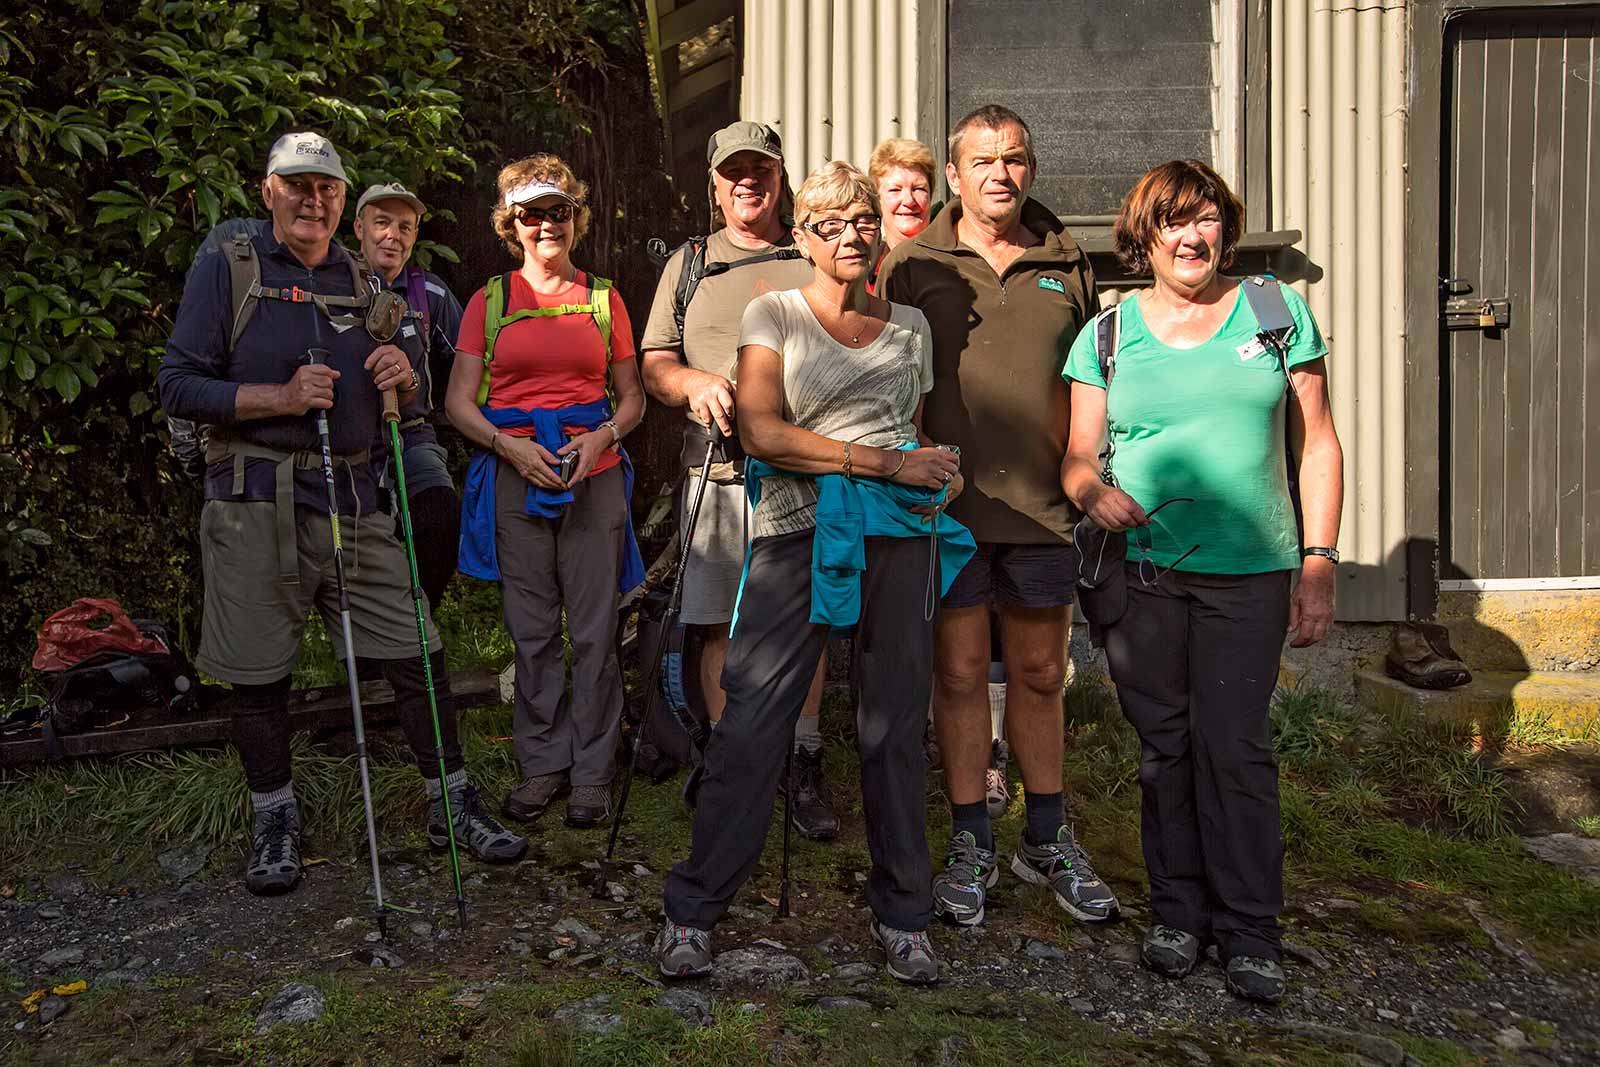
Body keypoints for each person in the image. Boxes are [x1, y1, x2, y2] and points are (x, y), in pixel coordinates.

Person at [158, 132, 526, 897]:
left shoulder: (364, 278)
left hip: (357, 500)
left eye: (326, 187)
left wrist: (401, 375)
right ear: (269, 192)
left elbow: (409, 401)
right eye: (297, 184)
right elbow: (178, 384)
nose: (313, 199)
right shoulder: (231, 268)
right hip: (255, 503)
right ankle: (274, 816)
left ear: (340, 200)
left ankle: (449, 803)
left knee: (416, 650)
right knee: (259, 673)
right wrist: (279, 399)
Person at [656, 161, 972, 985]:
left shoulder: (910, 326)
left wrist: (944, 471)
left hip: (900, 540)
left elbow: (924, 430)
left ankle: (903, 912)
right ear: (802, 237)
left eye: (862, 219)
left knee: (895, 723)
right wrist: (878, 463)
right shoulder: (777, 314)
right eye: (828, 223)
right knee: (754, 716)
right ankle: (694, 909)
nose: (849, 235)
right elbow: (760, 431)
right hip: (798, 535)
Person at [1062, 159, 1343, 1003]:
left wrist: (1319, 559)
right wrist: (1092, 493)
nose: (1193, 235)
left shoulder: (1274, 310)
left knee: (1238, 747)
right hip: (1143, 575)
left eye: (1209, 217)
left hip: (1251, 570)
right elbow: (1076, 456)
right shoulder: (1107, 334)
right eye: (1174, 221)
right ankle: (1178, 915)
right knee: (1166, 750)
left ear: (1226, 227)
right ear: (1143, 236)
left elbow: (1318, 442)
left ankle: (1252, 929)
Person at [878, 104, 1115, 931]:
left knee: (1044, 675)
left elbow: (1095, 378)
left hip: (1046, 510)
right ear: (954, 173)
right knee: (959, 675)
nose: (1000, 175)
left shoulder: (1067, 257)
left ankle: (1045, 837)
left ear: (1032, 167)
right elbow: (888, 376)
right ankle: (972, 838)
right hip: (949, 511)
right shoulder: (912, 262)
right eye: (983, 161)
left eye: (1014, 159)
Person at [640, 121, 839, 840]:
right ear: (715, 183)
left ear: (780, 179)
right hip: (717, 469)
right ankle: (733, 759)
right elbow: (654, 358)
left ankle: (803, 757)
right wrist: (691, 380)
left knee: (804, 619)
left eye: (760, 169)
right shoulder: (690, 264)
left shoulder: (812, 252)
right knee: (723, 617)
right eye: (733, 171)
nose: (746, 181)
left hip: (808, 467)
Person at [447, 155, 646, 830]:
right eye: (531, 213)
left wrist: (603, 440)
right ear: (512, 223)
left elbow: (633, 397)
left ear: (575, 218)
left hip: (590, 476)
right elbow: (458, 403)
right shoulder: (490, 301)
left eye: (558, 210)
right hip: (515, 473)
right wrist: (510, 448)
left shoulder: (602, 297)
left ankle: (593, 770)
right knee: (532, 633)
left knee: (593, 632)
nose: (546, 224)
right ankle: (543, 765)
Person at [351, 182, 465, 610]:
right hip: (350, 440)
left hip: (412, 434)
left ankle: (420, 620)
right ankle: (364, 650)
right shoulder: (331, 285)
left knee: (439, 516)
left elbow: (469, 366)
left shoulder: (429, 293)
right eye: (382, 223)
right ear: (359, 226)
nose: (392, 236)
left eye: (405, 226)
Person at [867, 137, 936, 284]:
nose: (909, 200)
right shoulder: (864, 271)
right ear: (877, 199)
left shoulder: (954, 267)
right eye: (895, 190)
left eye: (918, 189)